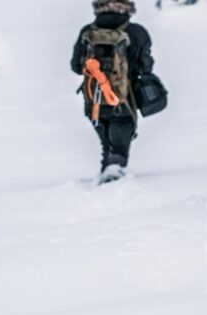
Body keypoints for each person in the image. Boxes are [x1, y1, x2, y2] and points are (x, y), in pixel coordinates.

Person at [70, 0, 154, 184]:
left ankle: (106, 174)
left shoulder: (87, 32)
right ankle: (114, 176)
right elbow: (146, 66)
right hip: (124, 99)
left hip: (93, 100)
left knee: (106, 144)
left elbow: (76, 66)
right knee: (119, 146)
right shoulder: (136, 32)